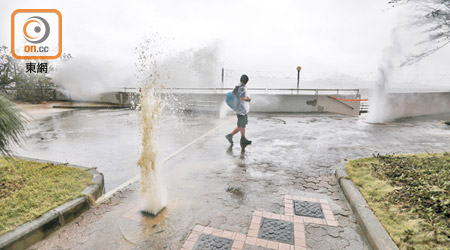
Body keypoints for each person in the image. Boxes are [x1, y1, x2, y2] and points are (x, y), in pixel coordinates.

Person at [226, 74, 252, 145]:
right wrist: (248, 99)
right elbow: (242, 98)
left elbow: (239, 96)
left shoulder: (238, 86)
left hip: (239, 108)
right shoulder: (241, 88)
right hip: (240, 110)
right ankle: (230, 135)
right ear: (246, 81)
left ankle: (243, 138)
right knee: (241, 125)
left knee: (242, 124)